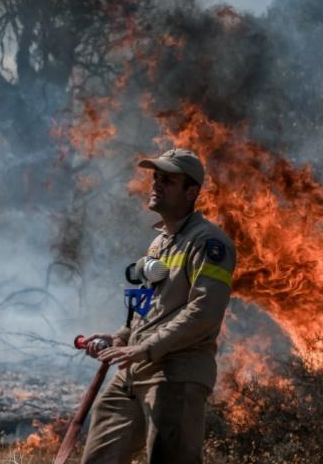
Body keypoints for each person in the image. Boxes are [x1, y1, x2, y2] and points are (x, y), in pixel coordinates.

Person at [79, 148, 237, 464]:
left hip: (174, 376)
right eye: (156, 177)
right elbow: (150, 310)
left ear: (191, 192)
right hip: (134, 372)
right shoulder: (159, 243)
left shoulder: (209, 243)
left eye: (168, 180)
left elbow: (204, 313)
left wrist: (146, 348)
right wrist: (120, 337)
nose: (156, 185)